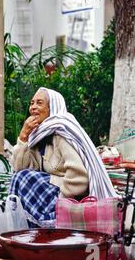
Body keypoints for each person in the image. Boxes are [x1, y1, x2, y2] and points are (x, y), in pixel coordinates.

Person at [9, 87, 117, 228]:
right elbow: (20, 168)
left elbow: (80, 177)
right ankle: (31, 234)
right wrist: (23, 137)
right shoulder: (39, 135)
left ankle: (45, 226)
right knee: (21, 177)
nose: (33, 107)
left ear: (51, 108)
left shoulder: (62, 132)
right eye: (31, 103)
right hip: (51, 192)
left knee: (25, 178)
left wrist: (61, 199)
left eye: (39, 103)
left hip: (69, 197)